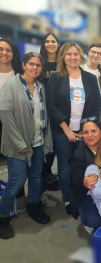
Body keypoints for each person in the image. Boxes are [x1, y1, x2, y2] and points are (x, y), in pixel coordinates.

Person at [0, 52, 53, 240]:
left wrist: (46, 140)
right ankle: (2, 217)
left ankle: (33, 206)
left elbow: (43, 115)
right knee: (16, 181)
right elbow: (5, 114)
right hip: (18, 144)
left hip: (37, 142)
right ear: (24, 65)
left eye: (38, 65)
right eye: (31, 64)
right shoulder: (11, 85)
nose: (35, 68)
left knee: (36, 178)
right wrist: (20, 143)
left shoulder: (40, 86)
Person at [46, 42, 101, 215]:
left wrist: (88, 129)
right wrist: (67, 129)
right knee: (64, 165)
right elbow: (52, 106)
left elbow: (97, 104)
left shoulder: (90, 78)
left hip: (84, 131)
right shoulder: (56, 78)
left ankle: (84, 194)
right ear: (63, 56)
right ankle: (68, 197)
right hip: (62, 130)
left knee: (85, 164)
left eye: (76, 54)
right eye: (69, 54)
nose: (72, 57)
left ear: (81, 56)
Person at [0, 37, 26, 213]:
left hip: (15, 123)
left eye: (8, 50)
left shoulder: (19, 74)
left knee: (17, 164)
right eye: (1, 49)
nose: (4, 53)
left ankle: (19, 200)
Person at [39, 32, 60, 194]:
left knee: (53, 142)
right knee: (43, 142)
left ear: (58, 44)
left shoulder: (62, 63)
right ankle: (43, 174)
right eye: (47, 41)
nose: (50, 44)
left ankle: (48, 174)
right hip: (41, 109)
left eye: (53, 41)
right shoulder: (39, 62)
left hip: (58, 109)